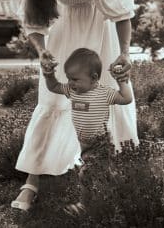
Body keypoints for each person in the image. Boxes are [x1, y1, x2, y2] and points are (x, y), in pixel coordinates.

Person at [11, 0, 139, 211]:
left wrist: (125, 53)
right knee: (53, 99)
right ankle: (32, 181)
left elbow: (121, 14)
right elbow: (34, 24)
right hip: (63, 36)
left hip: (101, 37)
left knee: (100, 100)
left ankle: (107, 178)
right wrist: (42, 51)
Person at [42, 47, 133, 214]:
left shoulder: (103, 93)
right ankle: (118, 194)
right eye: (69, 78)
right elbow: (54, 87)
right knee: (103, 174)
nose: (70, 83)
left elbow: (126, 99)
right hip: (85, 144)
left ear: (94, 78)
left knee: (86, 174)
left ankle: (85, 206)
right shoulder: (72, 91)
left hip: (101, 143)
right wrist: (49, 76)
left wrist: (121, 81)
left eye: (75, 79)